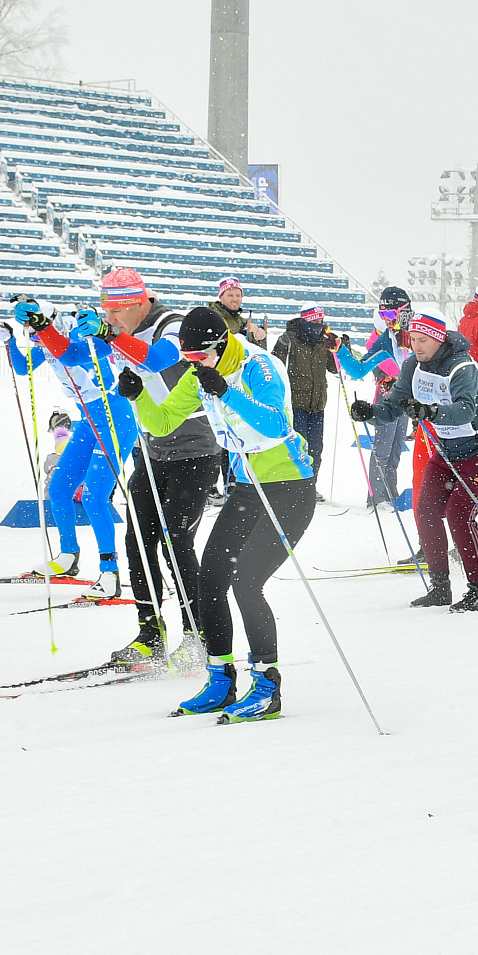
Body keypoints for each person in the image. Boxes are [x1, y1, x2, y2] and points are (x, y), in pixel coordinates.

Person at [133, 306, 316, 721]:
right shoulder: (197, 372)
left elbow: (274, 425)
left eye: (199, 359)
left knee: (247, 582)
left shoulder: (259, 366)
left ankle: (267, 686)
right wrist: (138, 393)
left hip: (289, 487)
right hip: (249, 487)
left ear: (221, 346)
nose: (192, 366)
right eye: (188, 359)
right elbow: (161, 423)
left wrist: (227, 392)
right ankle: (220, 678)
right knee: (210, 578)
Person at [96, 266, 223, 665]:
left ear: (137, 303)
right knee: (138, 541)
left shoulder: (173, 323)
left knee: (176, 541)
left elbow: (159, 358)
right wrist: (46, 329)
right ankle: (149, 633)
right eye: (106, 313)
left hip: (194, 451)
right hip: (152, 452)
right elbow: (84, 353)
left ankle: (197, 632)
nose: (111, 320)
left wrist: (110, 336)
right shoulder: (122, 330)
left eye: (115, 313)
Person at [347, 309, 478, 611]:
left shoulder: (461, 366)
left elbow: (465, 411)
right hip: (449, 448)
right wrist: (370, 413)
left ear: (438, 339)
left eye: (423, 340)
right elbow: (395, 406)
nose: (416, 347)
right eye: (413, 340)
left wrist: (430, 411)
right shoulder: (412, 365)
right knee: (426, 510)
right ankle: (440, 587)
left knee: (460, 514)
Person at [4, 303, 138, 595]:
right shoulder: (48, 344)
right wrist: (9, 340)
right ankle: (68, 556)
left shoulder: (78, 339)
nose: (36, 336)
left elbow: (91, 348)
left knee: (93, 497)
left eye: (38, 328)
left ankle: (110, 573)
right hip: (88, 421)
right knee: (59, 488)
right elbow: (22, 366)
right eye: (31, 331)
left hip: (115, 420)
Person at [338, 286, 413, 510]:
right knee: (383, 447)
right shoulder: (381, 337)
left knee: (397, 446)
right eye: (382, 315)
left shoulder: (414, 331)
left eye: (390, 315)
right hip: (388, 397)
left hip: (409, 397)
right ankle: (377, 497)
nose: (386, 320)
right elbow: (365, 368)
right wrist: (340, 350)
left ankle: (390, 492)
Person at [270, 304, 339, 472]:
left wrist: (339, 348)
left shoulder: (324, 339)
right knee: (297, 448)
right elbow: (274, 366)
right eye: (313, 320)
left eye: (320, 320)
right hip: (296, 405)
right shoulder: (292, 339)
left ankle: (311, 484)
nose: (317, 324)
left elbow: (335, 368)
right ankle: (296, 486)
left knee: (316, 449)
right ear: (305, 319)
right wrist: (281, 344)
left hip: (317, 405)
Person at [206, 277, 267, 343]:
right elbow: (220, 343)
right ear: (221, 297)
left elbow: (253, 349)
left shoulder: (241, 321)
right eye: (230, 295)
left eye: (238, 296)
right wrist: (243, 332)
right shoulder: (211, 317)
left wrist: (259, 334)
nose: (235, 299)